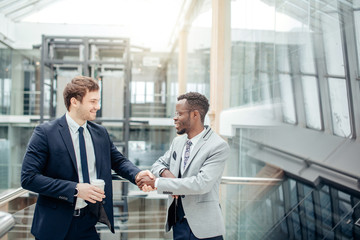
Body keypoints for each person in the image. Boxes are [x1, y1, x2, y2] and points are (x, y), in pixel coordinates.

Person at [21, 76, 153, 240]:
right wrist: (75, 189)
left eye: (98, 101)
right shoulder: (45, 133)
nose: (97, 106)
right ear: (74, 101)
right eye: (92, 101)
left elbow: (118, 161)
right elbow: (28, 178)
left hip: (88, 223)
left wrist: (137, 174)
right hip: (53, 227)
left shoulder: (100, 133)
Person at [137, 92, 230, 240]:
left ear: (195, 115)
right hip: (178, 224)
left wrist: (158, 183)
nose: (175, 118)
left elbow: (202, 184)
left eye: (179, 114)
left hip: (205, 228)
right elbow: (158, 164)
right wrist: (167, 175)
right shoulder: (178, 142)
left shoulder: (218, 146)